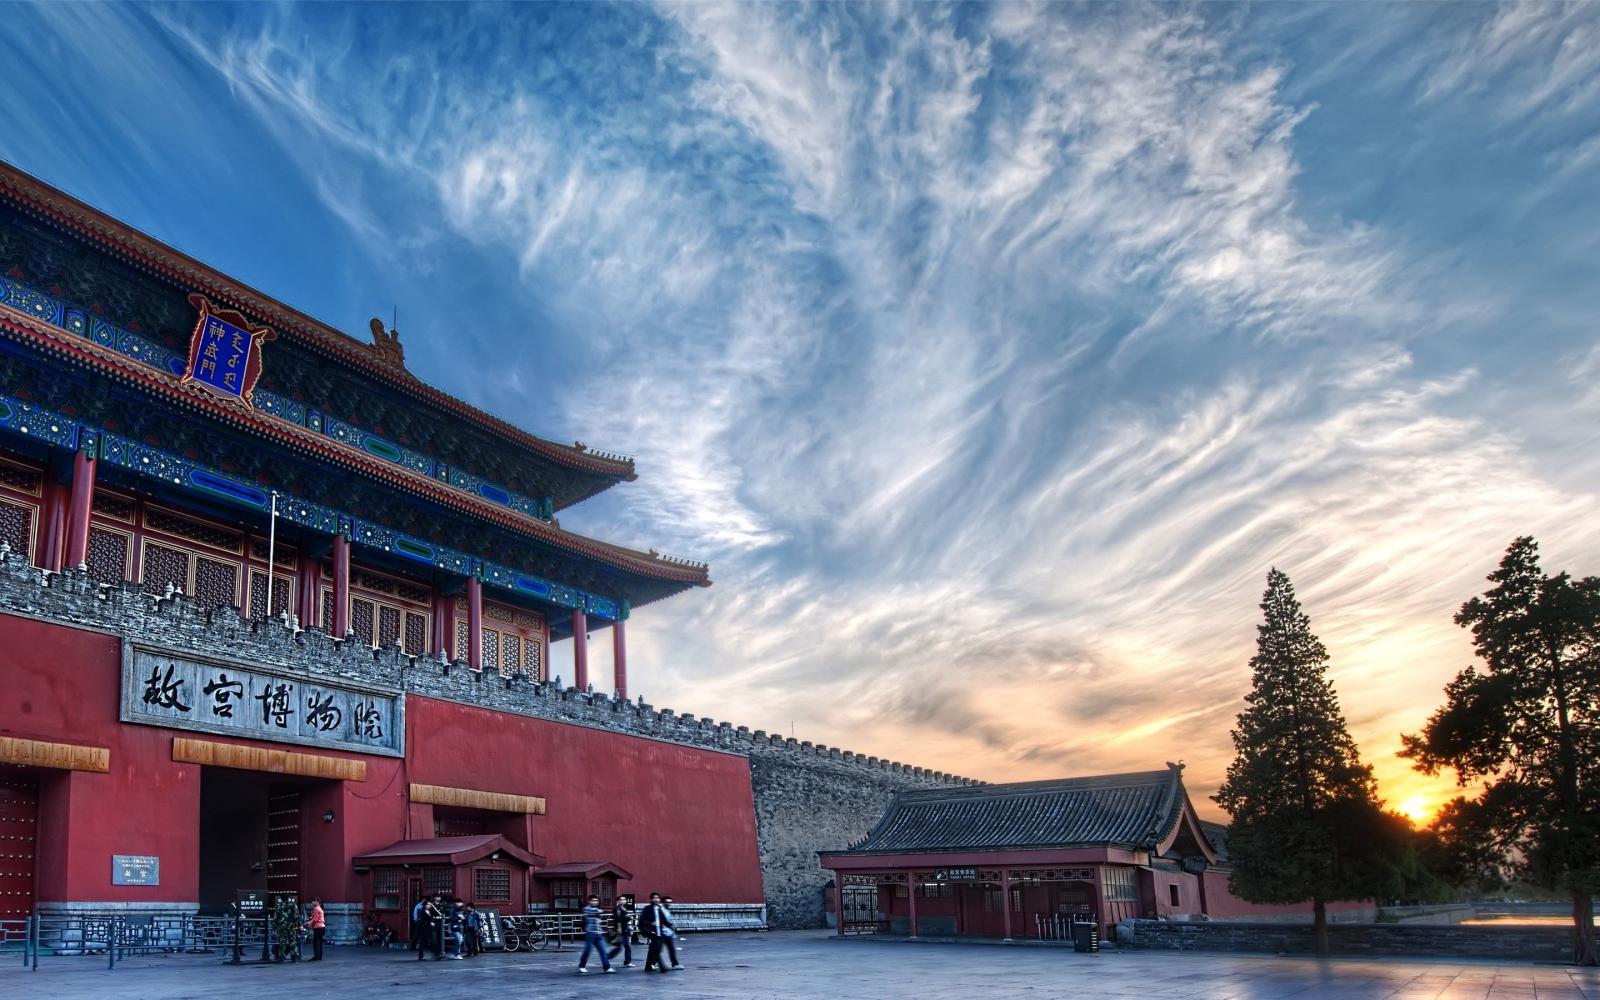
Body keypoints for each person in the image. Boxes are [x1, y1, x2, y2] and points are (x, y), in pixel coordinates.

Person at [576, 894, 615, 974]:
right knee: (587, 951)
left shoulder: (597, 909)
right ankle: (582, 966)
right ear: (589, 901)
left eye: (596, 901)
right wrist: (601, 911)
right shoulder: (587, 909)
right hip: (590, 934)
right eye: (593, 900)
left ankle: (607, 967)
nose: (595, 902)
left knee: (603, 951)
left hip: (599, 934)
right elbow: (597, 911)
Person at [639, 892, 670, 972]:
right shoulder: (647, 908)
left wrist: (670, 925)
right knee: (656, 948)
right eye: (655, 898)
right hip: (650, 931)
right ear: (651, 899)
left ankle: (648, 966)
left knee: (654, 948)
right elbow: (642, 920)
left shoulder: (659, 909)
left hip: (659, 931)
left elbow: (664, 920)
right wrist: (650, 923)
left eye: (658, 898)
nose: (656, 899)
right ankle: (662, 966)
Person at [606, 895, 634, 967]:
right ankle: (606, 958)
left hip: (625, 929)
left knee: (624, 947)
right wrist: (619, 928)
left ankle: (627, 961)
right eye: (621, 899)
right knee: (623, 947)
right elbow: (618, 919)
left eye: (624, 899)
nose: (623, 901)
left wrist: (628, 919)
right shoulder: (617, 909)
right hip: (621, 930)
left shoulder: (624, 908)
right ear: (618, 901)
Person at [661, 895, 682, 970]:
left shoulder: (666, 910)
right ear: (663, 902)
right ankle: (675, 964)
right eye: (667, 902)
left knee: (671, 949)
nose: (669, 904)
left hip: (668, 933)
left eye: (670, 902)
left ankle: (675, 964)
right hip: (663, 933)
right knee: (668, 949)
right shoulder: (661, 911)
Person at [304, 896, 326, 961]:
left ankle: (316, 956)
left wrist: (308, 924)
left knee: (316, 943)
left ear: (317, 902)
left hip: (318, 927)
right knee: (319, 943)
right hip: (321, 927)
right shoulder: (319, 908)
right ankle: (319, 956)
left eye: (314, 901)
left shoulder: (316, 909)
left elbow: (314, 919)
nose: (312, 902)